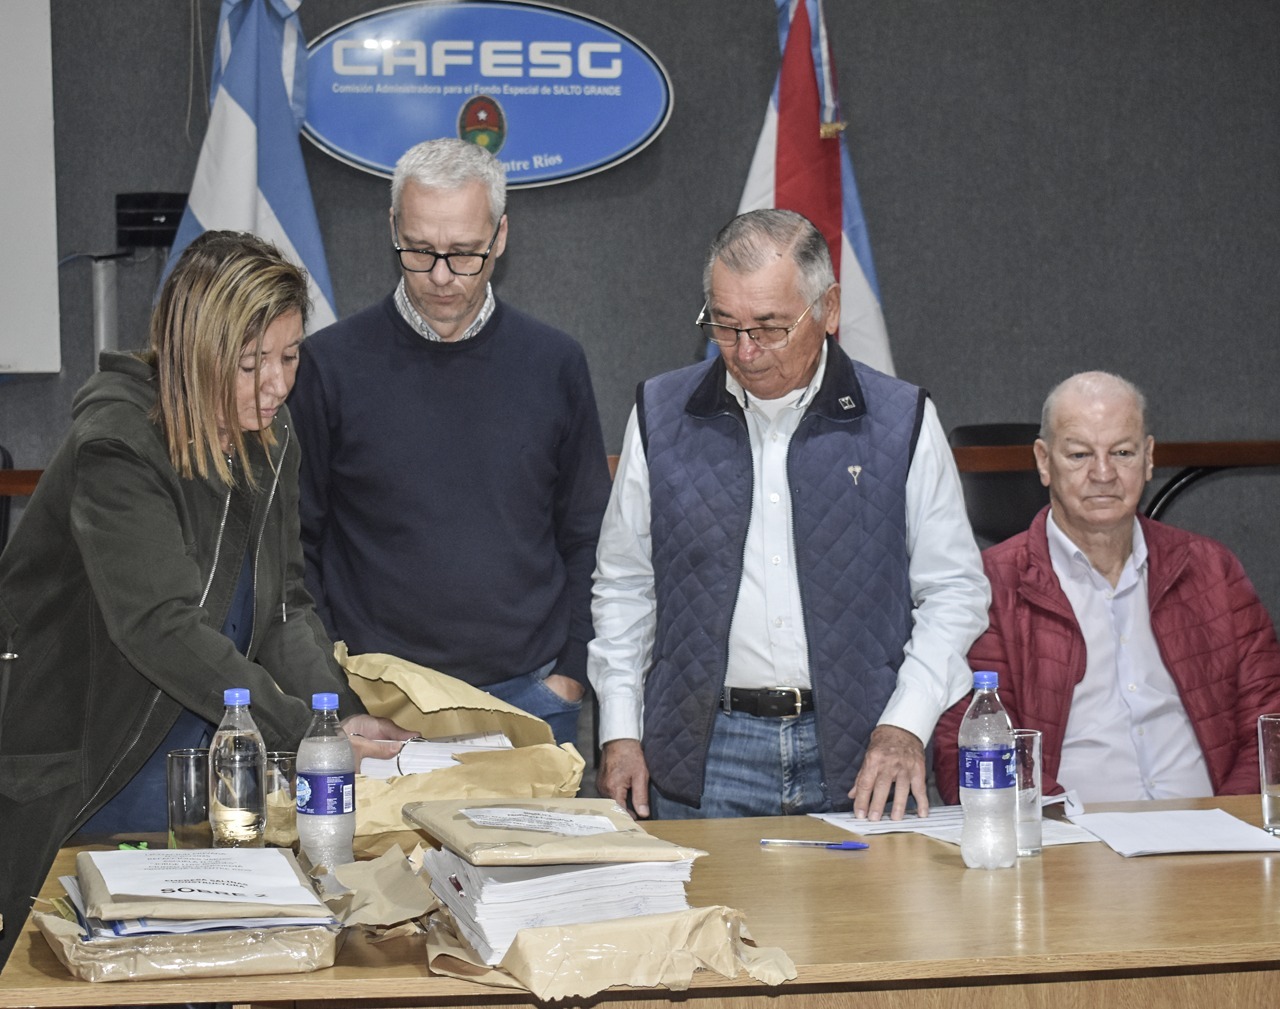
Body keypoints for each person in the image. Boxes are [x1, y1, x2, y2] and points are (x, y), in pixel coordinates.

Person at [0, 231, 412, 969]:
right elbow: (158, 626)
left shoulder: (268, 433)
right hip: (99, 778)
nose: (277, 384)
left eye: (291, 356)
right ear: (194, 355)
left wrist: (335, 718)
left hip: (211, 776)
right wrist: (302, 736)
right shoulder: (118, 442)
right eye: (251, 364)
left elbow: (283, 608)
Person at [588, 209, 990, 821]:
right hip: (705, 755)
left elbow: (955, 591)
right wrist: (619, 729)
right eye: (725, 325)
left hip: (864, 750)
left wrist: (905, 724)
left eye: (771, 327)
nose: (746, 352)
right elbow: (624, 584)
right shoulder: (660, 413)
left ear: (828, 309)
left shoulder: (901, 419)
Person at [288, 138, 611, 747]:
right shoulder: (326, 366)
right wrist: (338, 694)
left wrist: (571, 674)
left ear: (500, 236)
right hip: (382, 704)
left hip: (531, 699)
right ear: (393, 228)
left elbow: (587, 534)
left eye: (464, 254)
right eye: (419, 250)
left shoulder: (555, 363)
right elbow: (297, 548)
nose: (440, 276)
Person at [933, 371, 1280, 803]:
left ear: (1148, 458)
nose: (1103, 473)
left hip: (1213, 827)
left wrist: (1227, 821)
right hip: (1069, 834)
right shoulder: (989, 587)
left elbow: (1269, 720)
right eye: (1080, 454)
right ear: (1044, 461)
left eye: (1122, 452)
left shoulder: (1212, 569)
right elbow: (972, 750)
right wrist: (1069, 829)